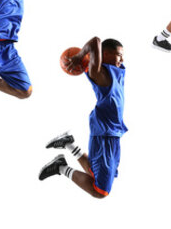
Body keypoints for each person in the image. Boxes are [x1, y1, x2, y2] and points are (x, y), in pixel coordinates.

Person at [39, 37, 126, 199]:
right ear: (104, 54)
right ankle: (61, 168)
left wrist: (114, 59)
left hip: (114, 133)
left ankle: (69, 144)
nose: (122, 59)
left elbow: (103, 50)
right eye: (119, 55)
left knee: (99, 172)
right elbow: (96, 41)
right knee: (101, 191)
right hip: (105, 134)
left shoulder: (116, 70)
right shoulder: (99, 73)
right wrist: (80, 56)